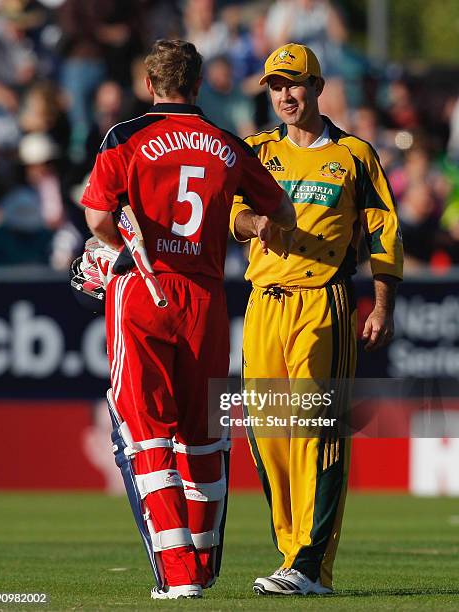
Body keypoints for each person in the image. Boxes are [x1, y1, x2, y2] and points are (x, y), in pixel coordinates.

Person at [80, 39, 295, 600]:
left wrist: (113, 249)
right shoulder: (227, 143)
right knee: (203, 437)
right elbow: (280, 211)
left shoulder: (125, 137)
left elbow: (100, 216)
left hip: (144, 288)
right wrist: (244, 224)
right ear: (197, 85)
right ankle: (200, 564)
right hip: (206, 296)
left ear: (149, 85)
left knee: (145, 431)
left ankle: (178, 578)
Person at [230, 43, 403, 596]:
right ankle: (290, 556)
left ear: (318, 87)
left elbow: (383, 231)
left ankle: (310, 565)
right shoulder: (254, 152)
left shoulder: (354, 154)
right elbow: (226, 211)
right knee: (269, 434)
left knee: (317, 431)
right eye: (276, 87)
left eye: (294, 84)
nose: (285, 96)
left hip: (323, 301)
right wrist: (250, 221)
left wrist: (381, 304)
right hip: (263, 304)